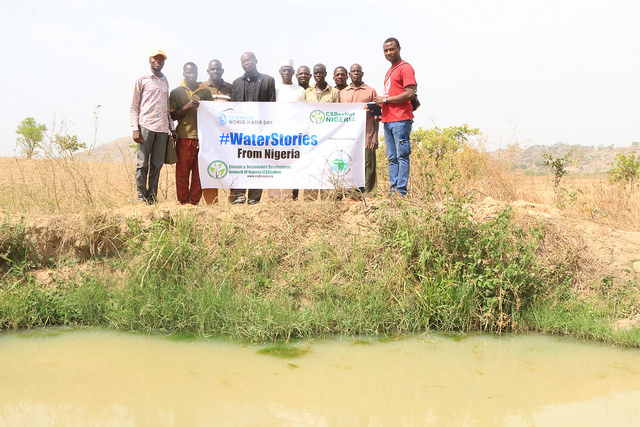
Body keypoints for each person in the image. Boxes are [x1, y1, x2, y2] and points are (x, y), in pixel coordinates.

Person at [130, 49, 176, 205]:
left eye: (161, 59)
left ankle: (152, 196)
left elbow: (167, 106)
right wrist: (135, 128)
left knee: (157, 164)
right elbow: (134, 105)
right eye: (155, 59)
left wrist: (172, 127)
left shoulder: (165, 80)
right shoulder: (141, 78)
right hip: (146, 126)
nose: (158, 61)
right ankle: (141, 197)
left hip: (162, 129)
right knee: (143, 163)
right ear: (150, 60)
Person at [230, 52, 276, 205]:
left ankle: (254, 198)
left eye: (249, 59)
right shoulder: (236, 83)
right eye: (243, 61)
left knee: (258, 162)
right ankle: (238, 196)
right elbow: (232, 108)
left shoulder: (268, 80)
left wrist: (267, 129)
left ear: (256, 60)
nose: (247, 62)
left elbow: (271, 105)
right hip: (241, 132)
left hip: (261, 131)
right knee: (239, 162)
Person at [374, 37, 417, 197]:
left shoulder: (405, 68)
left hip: (401, 119)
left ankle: (401, 192)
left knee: (402, 155)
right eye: (385, 50)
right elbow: (391, 95)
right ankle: (393, 191)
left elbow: (409, 93)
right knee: (392, 157)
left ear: (399, 49)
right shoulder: (389, 71)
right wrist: (380, 106)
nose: (389, 53)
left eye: (391, 49)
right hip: (388, 120)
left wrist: (385, 100)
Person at [169, 62, 212, 205]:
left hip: (202, 138)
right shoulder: (176, 92)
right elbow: (172, 116)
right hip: (184, 137)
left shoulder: (205, 92)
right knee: (182, 172)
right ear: (183, 73)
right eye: (189, 72)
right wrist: (186, 107)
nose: (192, 75)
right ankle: (183, 203)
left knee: (199, 173)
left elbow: (212, 113)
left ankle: (194, 203)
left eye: (194, 72)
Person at [340, 63, 380, 199]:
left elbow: (376, 116)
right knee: (351, 164)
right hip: (349, 137)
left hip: (367, 134)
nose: (356, 73)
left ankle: (370, 193)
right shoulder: (343, 93)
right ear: (349, 75)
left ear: (362, 74)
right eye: (353, 71)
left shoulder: (371, 91)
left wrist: (375, 136)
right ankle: (353, 194)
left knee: (369, 165)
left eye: (358, 71)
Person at [269, 58, 305, 202]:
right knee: (274, 162)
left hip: (292, 133)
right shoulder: (274, 89)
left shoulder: (300, 90)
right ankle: (273, 195)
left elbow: (303, 112)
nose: (286, 72)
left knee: (289, 163)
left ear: (293, 72)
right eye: (283, 70)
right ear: (279, 72)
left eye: (288, 70)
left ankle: (287, 195)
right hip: (275, 132)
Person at [304, 63, 341, 200]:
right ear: (313, 75)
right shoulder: (307, 92)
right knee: (311, 165)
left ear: (325, 74)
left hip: (328, 136)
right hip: (311, 136)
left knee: (327, 165)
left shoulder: (335, 92)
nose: (318, 75)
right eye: (316, 73)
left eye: (321, 72)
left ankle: (328, 197)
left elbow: (338, 114)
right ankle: (310, 198)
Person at [203, 59, 234, 204]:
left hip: (227, 136)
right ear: (208, 71)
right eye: (212, 69)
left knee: (231, 165)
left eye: (218, 69)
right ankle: (211, 203)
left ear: (222, 71)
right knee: (209, 165)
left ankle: (232, 201)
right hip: (208, 137)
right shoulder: (201, 87)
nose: (215, 71)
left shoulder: (230, 88)